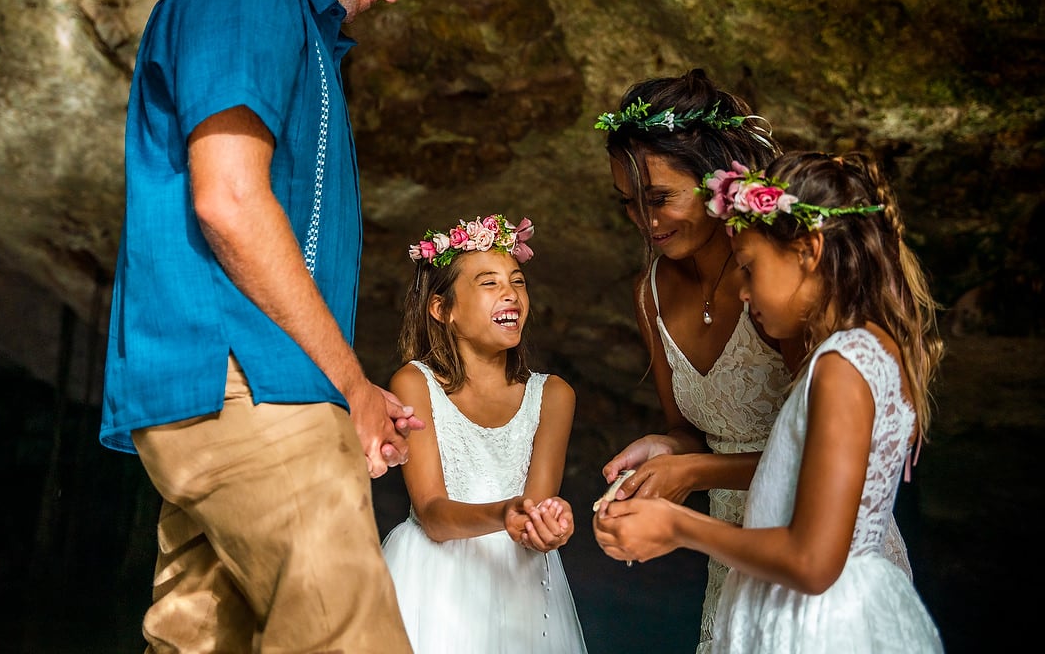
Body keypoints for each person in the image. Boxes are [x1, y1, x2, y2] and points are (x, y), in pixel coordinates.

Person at [97, 0, 449, 651]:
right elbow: (227, 199)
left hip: (246, 386)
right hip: (242, 383)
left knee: (194, 640)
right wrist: (350, 382)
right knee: (349, 636)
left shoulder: (307, 36)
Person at [594, 151, 944, 653]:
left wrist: (679, 525)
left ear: (807, 251)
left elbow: (813, 562)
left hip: (819, 626)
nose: (742, 292)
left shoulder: (842, 366)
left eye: (751, 269)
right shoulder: (865, 351)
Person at [593, 69, 801, 652]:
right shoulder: (650, 291)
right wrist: (665, 452)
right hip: (730, 554)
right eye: (630, 204)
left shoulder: (774, 284)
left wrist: (693, 475)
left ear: (718, 181)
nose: (646, 222)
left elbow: (823, 452)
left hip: (808, 537)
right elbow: (691, 436)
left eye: (659, 198)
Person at [380, 213, 589, 653]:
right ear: (443, 309)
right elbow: (433, 514)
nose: (511, 293)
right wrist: (505, 514)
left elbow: (537, 510)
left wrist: (549, 527)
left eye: (518, 281)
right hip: (436, 583)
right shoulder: (415, 384)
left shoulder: (553, 395)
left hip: (521, 584)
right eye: (489, 283)